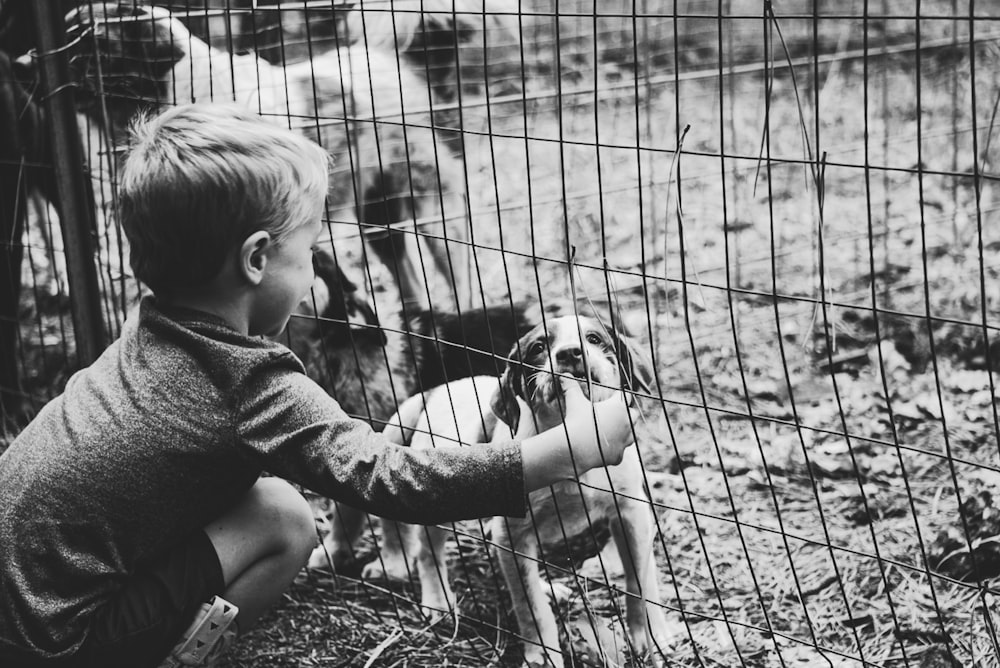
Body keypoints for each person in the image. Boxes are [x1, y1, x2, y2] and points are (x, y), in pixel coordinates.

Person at [0, 103, 638, 668]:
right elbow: (390, 478)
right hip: (58, 640)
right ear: (256, 260)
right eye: (308, 253)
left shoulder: (148, 332)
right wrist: (568, 451)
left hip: (19, 596)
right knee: (285, 522)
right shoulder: (251, 381)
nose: (315, 273)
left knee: (263, 494)